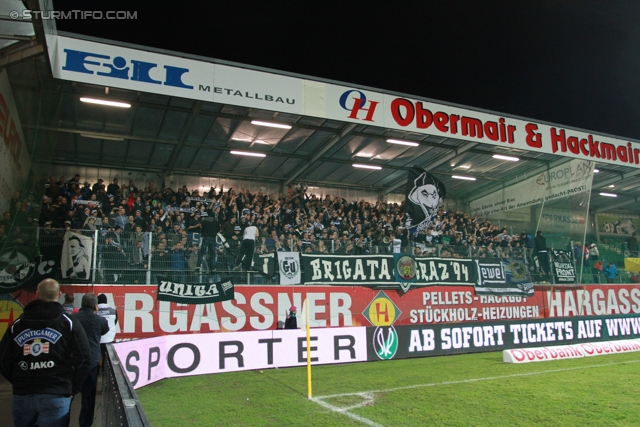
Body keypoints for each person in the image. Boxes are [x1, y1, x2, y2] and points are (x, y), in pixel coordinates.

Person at [0, 278, 91, 427]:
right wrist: (72, 388)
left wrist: (19, 379)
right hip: (56, 393)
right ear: (59, 294)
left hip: (23, 394)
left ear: (36, 294)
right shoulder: (68, 323)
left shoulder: (17, 325)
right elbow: (84, 359)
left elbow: (3, 360)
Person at [73, 293, 108, 427]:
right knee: (88, 399)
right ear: (95, 306)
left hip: (73, 363)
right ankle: (85, 424)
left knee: (67, 397)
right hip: (91, 364)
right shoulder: (100, 321)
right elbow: (105, 331)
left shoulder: (72, 318)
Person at [97, 294, 118, 364]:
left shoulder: (95, 310)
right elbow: (114, 323)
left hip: (97, 341)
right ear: (106, 301)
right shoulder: (113, 311)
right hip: (109, 340)